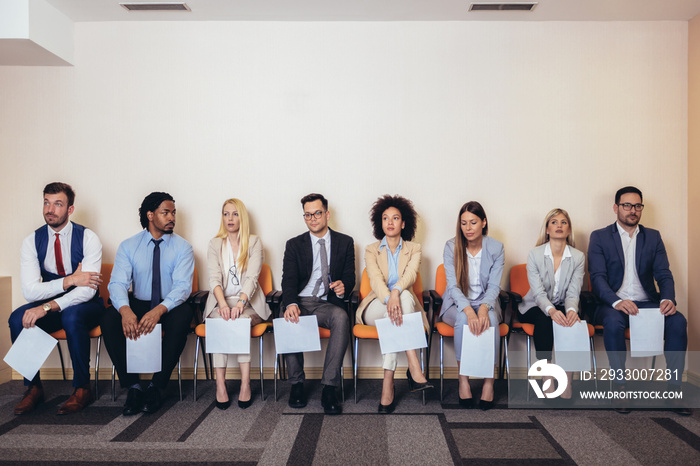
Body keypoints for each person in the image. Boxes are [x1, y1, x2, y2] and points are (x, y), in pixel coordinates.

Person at [588, 186, 688, 415]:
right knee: (613, 322)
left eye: (637, 206)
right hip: (612, 303)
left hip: (647, 302)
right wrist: (616, 301)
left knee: (678, 322)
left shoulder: (653, 237)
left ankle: (674, 389)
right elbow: (598, 277)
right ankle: (620, 387)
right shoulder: (600, 236)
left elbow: (663, 274)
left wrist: (668, 299)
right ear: (616, 208)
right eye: (627, 205)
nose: (632, 210)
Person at [9, 182, 104, 415]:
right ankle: (33, 388)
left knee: (71, 316)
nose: (50, 209)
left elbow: (88, 290)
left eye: (58, 204)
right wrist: (70, 280)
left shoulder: (88, 238)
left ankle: (82, 387)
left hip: (86, 305)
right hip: (51, 303)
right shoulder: (31, 241)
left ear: (70, 209)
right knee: (17, 318)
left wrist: (49, 304)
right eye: (46, 203)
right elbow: (30, 291)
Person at [102, 192, 194, 416]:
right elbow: (116, 284)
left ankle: (156, 386)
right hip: (138, 303)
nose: (172, 217)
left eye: (173, 212)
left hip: (168, 305)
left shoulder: (183, 248)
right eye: (166, 212)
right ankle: (133, 387)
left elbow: (182, 287)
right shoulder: (128, 246)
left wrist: (159, 310)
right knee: (108, 319)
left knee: (184, 316)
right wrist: (125, 310)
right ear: (150, 215)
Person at [356, 195, 432, 414]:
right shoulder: (371, 249)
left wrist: (397, 292)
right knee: (401, 304)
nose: (390, 222)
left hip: (402, 305)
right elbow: (375, 280)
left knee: (404, 300)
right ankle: (413, 362)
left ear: (404, 223)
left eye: (395, 218)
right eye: (385, 218)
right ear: (380, 223)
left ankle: (387, 383)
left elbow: (410, 276)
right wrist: (390, 298)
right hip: (376, 306)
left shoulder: (414, 249)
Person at [281, 193, 355, 415]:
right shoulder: (294, 244)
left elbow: (350, 277)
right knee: (287, 317)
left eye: (317, 213)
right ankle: (296, 385)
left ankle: (329, 388)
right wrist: (291, 303)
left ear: (327, 214)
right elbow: (289, 279)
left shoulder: (345, 242)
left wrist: (344, 286)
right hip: (301, 301)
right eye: (308, 215)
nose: (313, 218)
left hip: (325, 302)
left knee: (342, 317)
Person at [203, 198, 271, 410]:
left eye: (235, 214)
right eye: (226, 214)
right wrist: (223, 305)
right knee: (222, 323)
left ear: (242, 217)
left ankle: (245, 383)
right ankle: (220, 384)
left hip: (249, 304)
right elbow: (214, 279)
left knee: (239, 322)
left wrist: (240, 304)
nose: (230, 219)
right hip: (220, 303)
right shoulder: (214, 244)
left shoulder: (253, 242)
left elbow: (252, 277)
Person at [440, 201, 503, 410]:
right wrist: (468, 311)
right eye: (464, 223)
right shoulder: (451, 247)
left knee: (491, 321)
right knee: (462, 321)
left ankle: (488, 383)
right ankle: (463, 380)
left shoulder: (496, 247)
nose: (468, 228)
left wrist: (483, 308)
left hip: (487, 301)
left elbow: (494, 286)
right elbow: (452, 286)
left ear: (483, 223)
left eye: (473, 222)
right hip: (456, 303)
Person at [518, 208, 585, 399]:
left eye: (564, 222)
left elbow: (573, 291)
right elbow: (538, 293)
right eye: (554, 222)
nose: (559, 226)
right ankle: (547, 378)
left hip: (563, 303)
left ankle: (567, 380)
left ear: (569, 229)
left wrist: (571, 310)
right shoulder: (535, 254)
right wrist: (551, 311)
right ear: (547, 229)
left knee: (572, 320)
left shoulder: (578, 257)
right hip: (533, 305)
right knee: (545, 320)